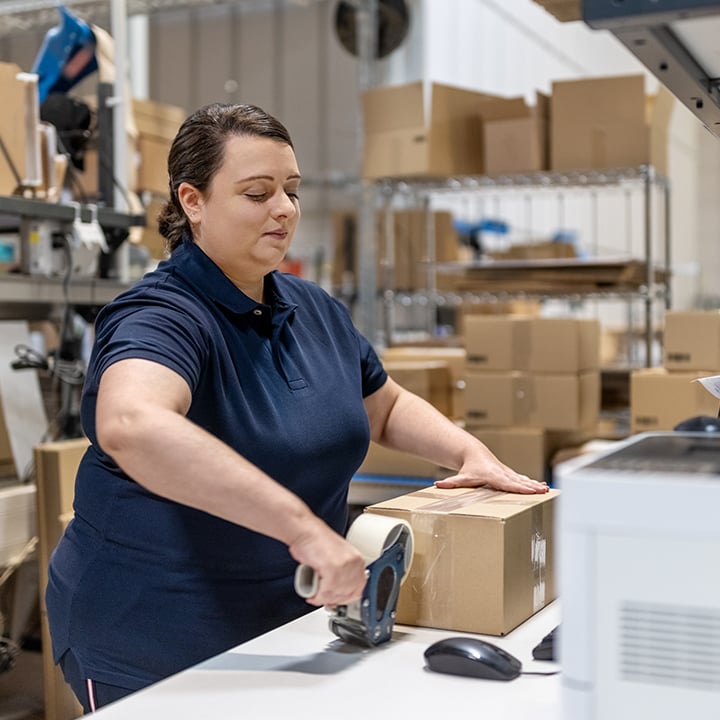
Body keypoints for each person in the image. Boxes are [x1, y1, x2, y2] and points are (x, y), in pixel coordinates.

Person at [45, 102, 548, 713]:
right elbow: (133, 425)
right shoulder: (162, 316)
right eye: (257, 194)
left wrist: (470, 452)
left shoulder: (312, 309)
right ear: (193, 202)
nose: (283, 209)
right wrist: (305, 529)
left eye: (291, 190)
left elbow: (382, 407)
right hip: (154, 637)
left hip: (287, 624)